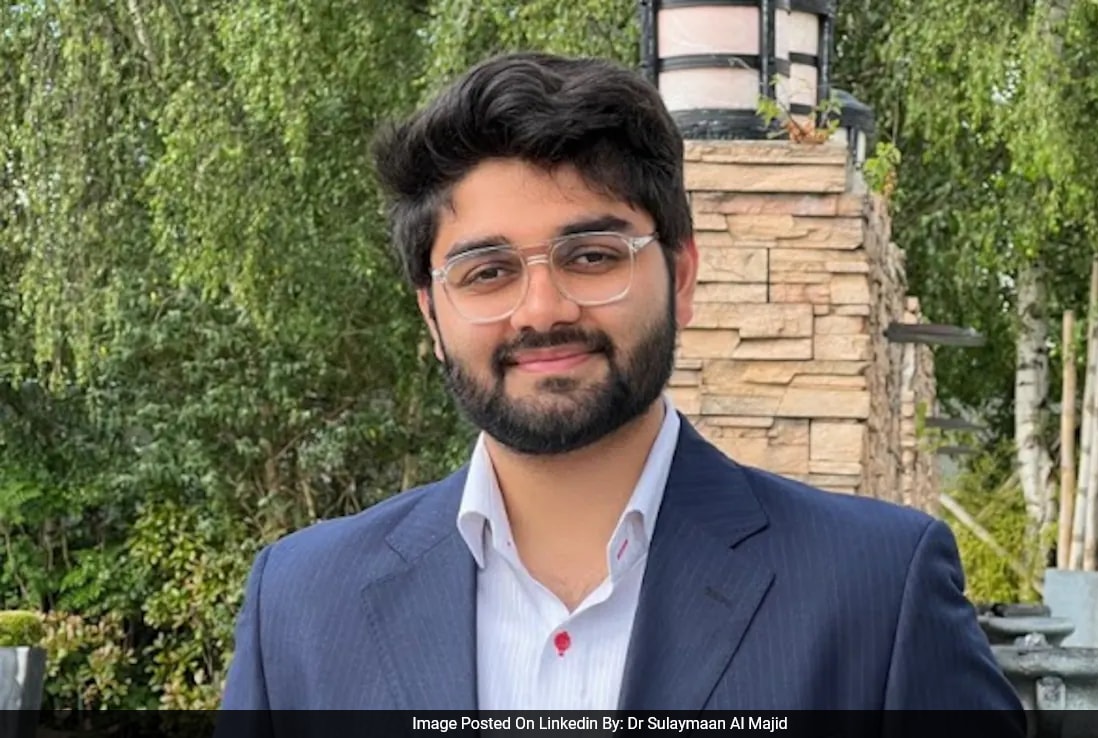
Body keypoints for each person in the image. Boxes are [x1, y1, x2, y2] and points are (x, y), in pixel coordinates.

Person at [219, 51, 1026, 716]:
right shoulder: (303, 606)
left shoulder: (877, 591)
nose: (543, 309)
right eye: (488, 271)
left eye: (593, 257)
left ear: (682, 276)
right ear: (432, 315)